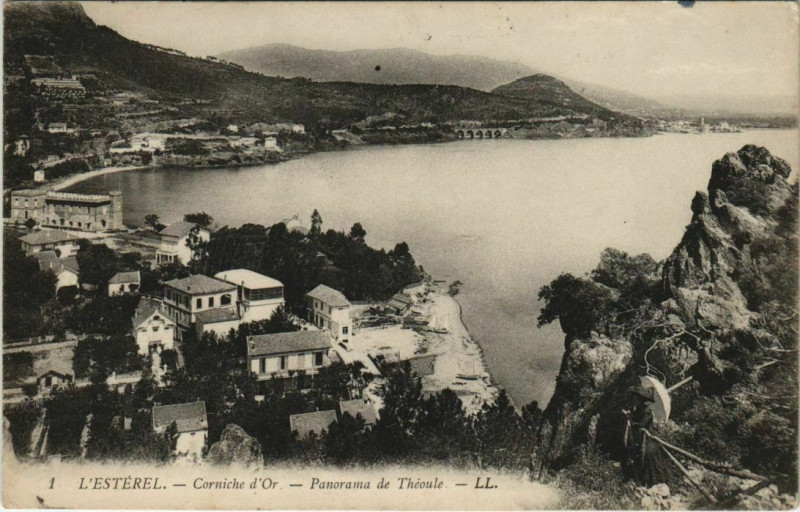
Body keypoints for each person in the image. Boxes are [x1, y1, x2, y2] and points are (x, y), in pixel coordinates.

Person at [623, 386, 669, 486]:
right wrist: (630, 416)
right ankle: (646, 481)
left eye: (636, 398)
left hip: (650, 436)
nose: (634, 400)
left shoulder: (647, 410)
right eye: (634, 397)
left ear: (641, 399)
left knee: (650, 454)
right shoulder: (638, 409)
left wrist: (631, 420)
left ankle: (659, 481)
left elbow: (642, 424)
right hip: (642, 436)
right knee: (640, 455)